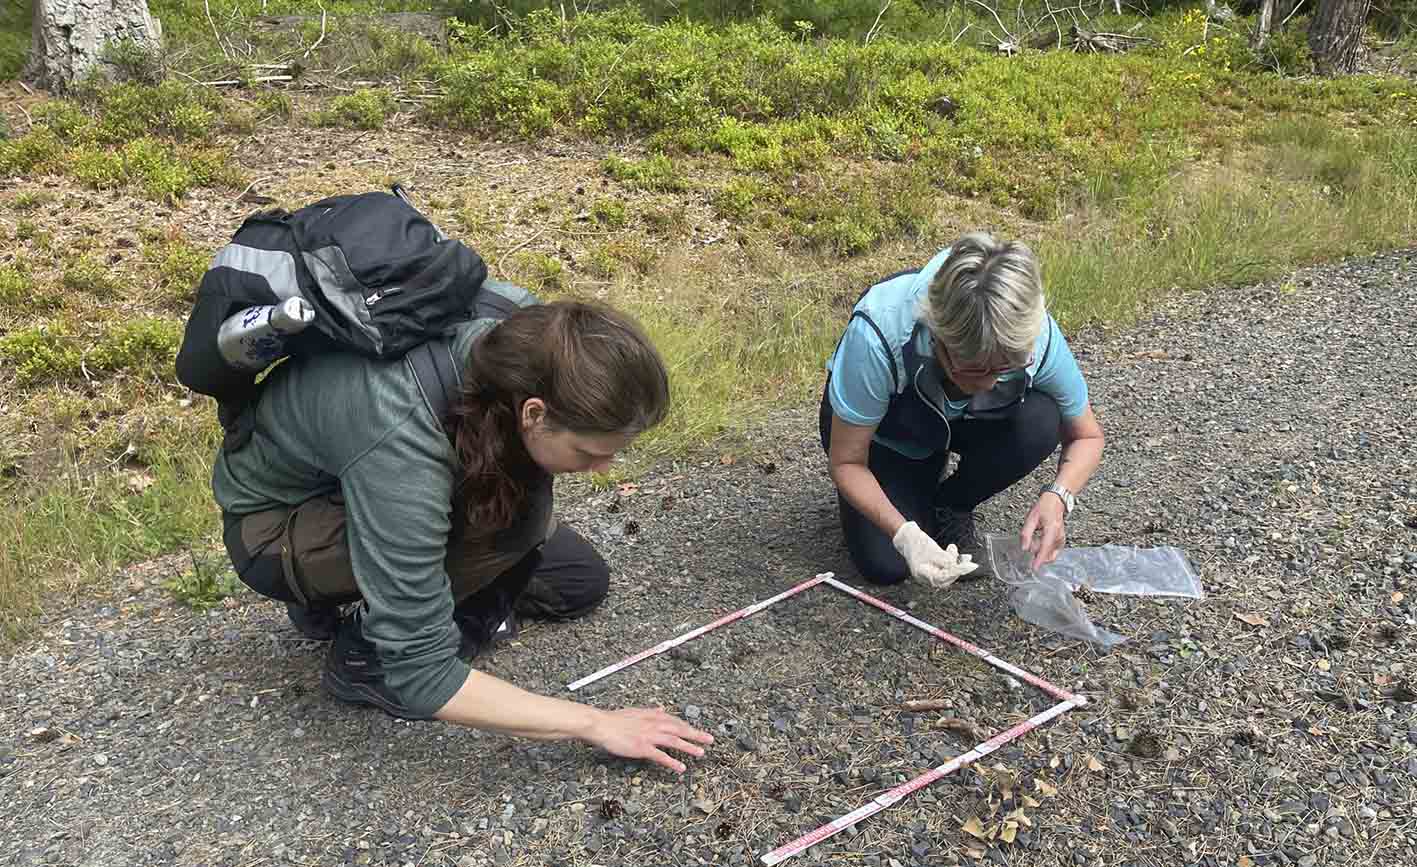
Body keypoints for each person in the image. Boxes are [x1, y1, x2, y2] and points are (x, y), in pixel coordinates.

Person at [211, 287, 713, 774]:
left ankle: (352, 597)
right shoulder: (402, 442)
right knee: (508, 526)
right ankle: (362, 659)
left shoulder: (527, 335)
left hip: (352, 473)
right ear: (534, 413)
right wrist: (596, 723)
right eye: (589, 452)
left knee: (575, 580)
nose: (605, 468)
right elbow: (425, 678)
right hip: (276, 528)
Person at [820, 232, 1105, 588]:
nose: (988, 383)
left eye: (1004, 368)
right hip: (887, 433)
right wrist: (905, 535)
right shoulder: (877, 332)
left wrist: (1059, 497)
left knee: (1042, 420)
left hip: (954, 422)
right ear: (938, 336)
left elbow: (1088, 435)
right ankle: (909, 479)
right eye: (974, 368)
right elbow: (846, 461)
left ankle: (952, 502)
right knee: (887, 566)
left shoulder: (1033, 332)